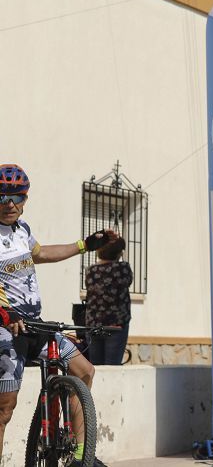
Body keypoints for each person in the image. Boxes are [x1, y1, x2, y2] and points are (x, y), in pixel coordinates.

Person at [0, 164, 118, 466]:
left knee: (84, 371)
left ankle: (81, 456)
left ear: (25, 199)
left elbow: (41, 253)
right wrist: (7, 311)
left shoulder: (22, 230)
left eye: (18, 197)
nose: (10, 204)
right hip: (5, 327)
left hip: (34, 324)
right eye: (2, 197)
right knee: (5, 408)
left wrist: (84, 245)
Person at [84, 237, 132, 365]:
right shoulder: (123, 268)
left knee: (95, 366)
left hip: (93, 325)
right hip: (116, 325)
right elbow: (128, 282)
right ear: (118, 253)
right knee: (112, 367)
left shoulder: (90, 270)